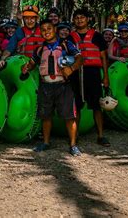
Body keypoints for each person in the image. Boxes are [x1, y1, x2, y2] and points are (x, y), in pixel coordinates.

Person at [22, 19, 83, 156]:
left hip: (63, 85)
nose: (46, 32)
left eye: (49, 28)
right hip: (45, 86)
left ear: (55, 29)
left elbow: (80, 58)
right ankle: (46, 142)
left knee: (69, 116)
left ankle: (73, 145)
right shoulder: (39, 49)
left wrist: (72, 68)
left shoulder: (66, 45)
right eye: (43, 30)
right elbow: (32, 63)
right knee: (46, 116)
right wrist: (26, 67)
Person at [70, 9, 110, 146]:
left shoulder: (97, 36)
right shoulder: (70, 37)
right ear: (73, 20)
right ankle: (76, 135)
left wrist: (105, 77)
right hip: (75, 74)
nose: (79, 20)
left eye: (82, 17)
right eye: (77, 18)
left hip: (92, 74)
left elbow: (104, 57)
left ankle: (100, 135)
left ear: (87, 19)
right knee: (76, 106)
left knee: (97, 106)